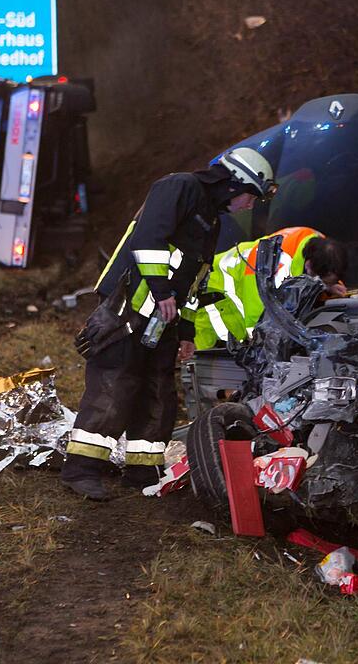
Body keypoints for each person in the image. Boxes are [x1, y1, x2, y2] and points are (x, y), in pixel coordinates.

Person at [61, 147, 277, 500]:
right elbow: (147, 240)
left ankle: (142, 469)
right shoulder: (178, 187)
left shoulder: (211, 219)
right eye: (251, 197)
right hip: (128, 307)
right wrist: (161, 292)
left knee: (158, 393)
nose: (250, 206)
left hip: (164, 319)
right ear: (234, 184)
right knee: (114, 385)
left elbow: (196, 280)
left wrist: (187, 333)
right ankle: (81, 470)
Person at [192, 227, 348, 350]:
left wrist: (329, 286)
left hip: (242, 285)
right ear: (308, 266)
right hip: (214, 292)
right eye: (321, 280)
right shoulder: (276, 269)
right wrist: (258, 344)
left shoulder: (318, 243)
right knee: (219, 360)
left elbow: (324, 268)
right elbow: (256, 312)